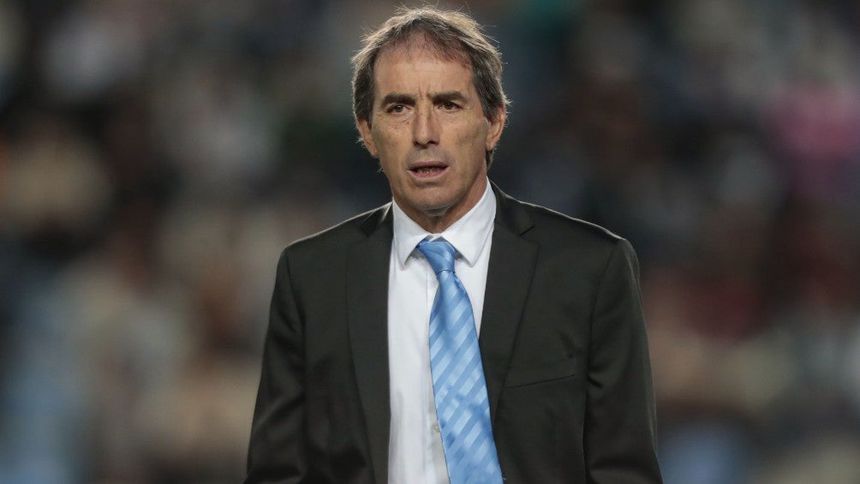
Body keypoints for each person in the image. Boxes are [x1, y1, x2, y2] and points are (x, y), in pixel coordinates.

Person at [245, 6, 661, 484]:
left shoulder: (590, 270)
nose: (424, 134)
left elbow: (624, 472)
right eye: (399, 108)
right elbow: (277, 473)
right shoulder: (311, 278)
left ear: (494, 122)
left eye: (448, 104)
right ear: (366, 132)